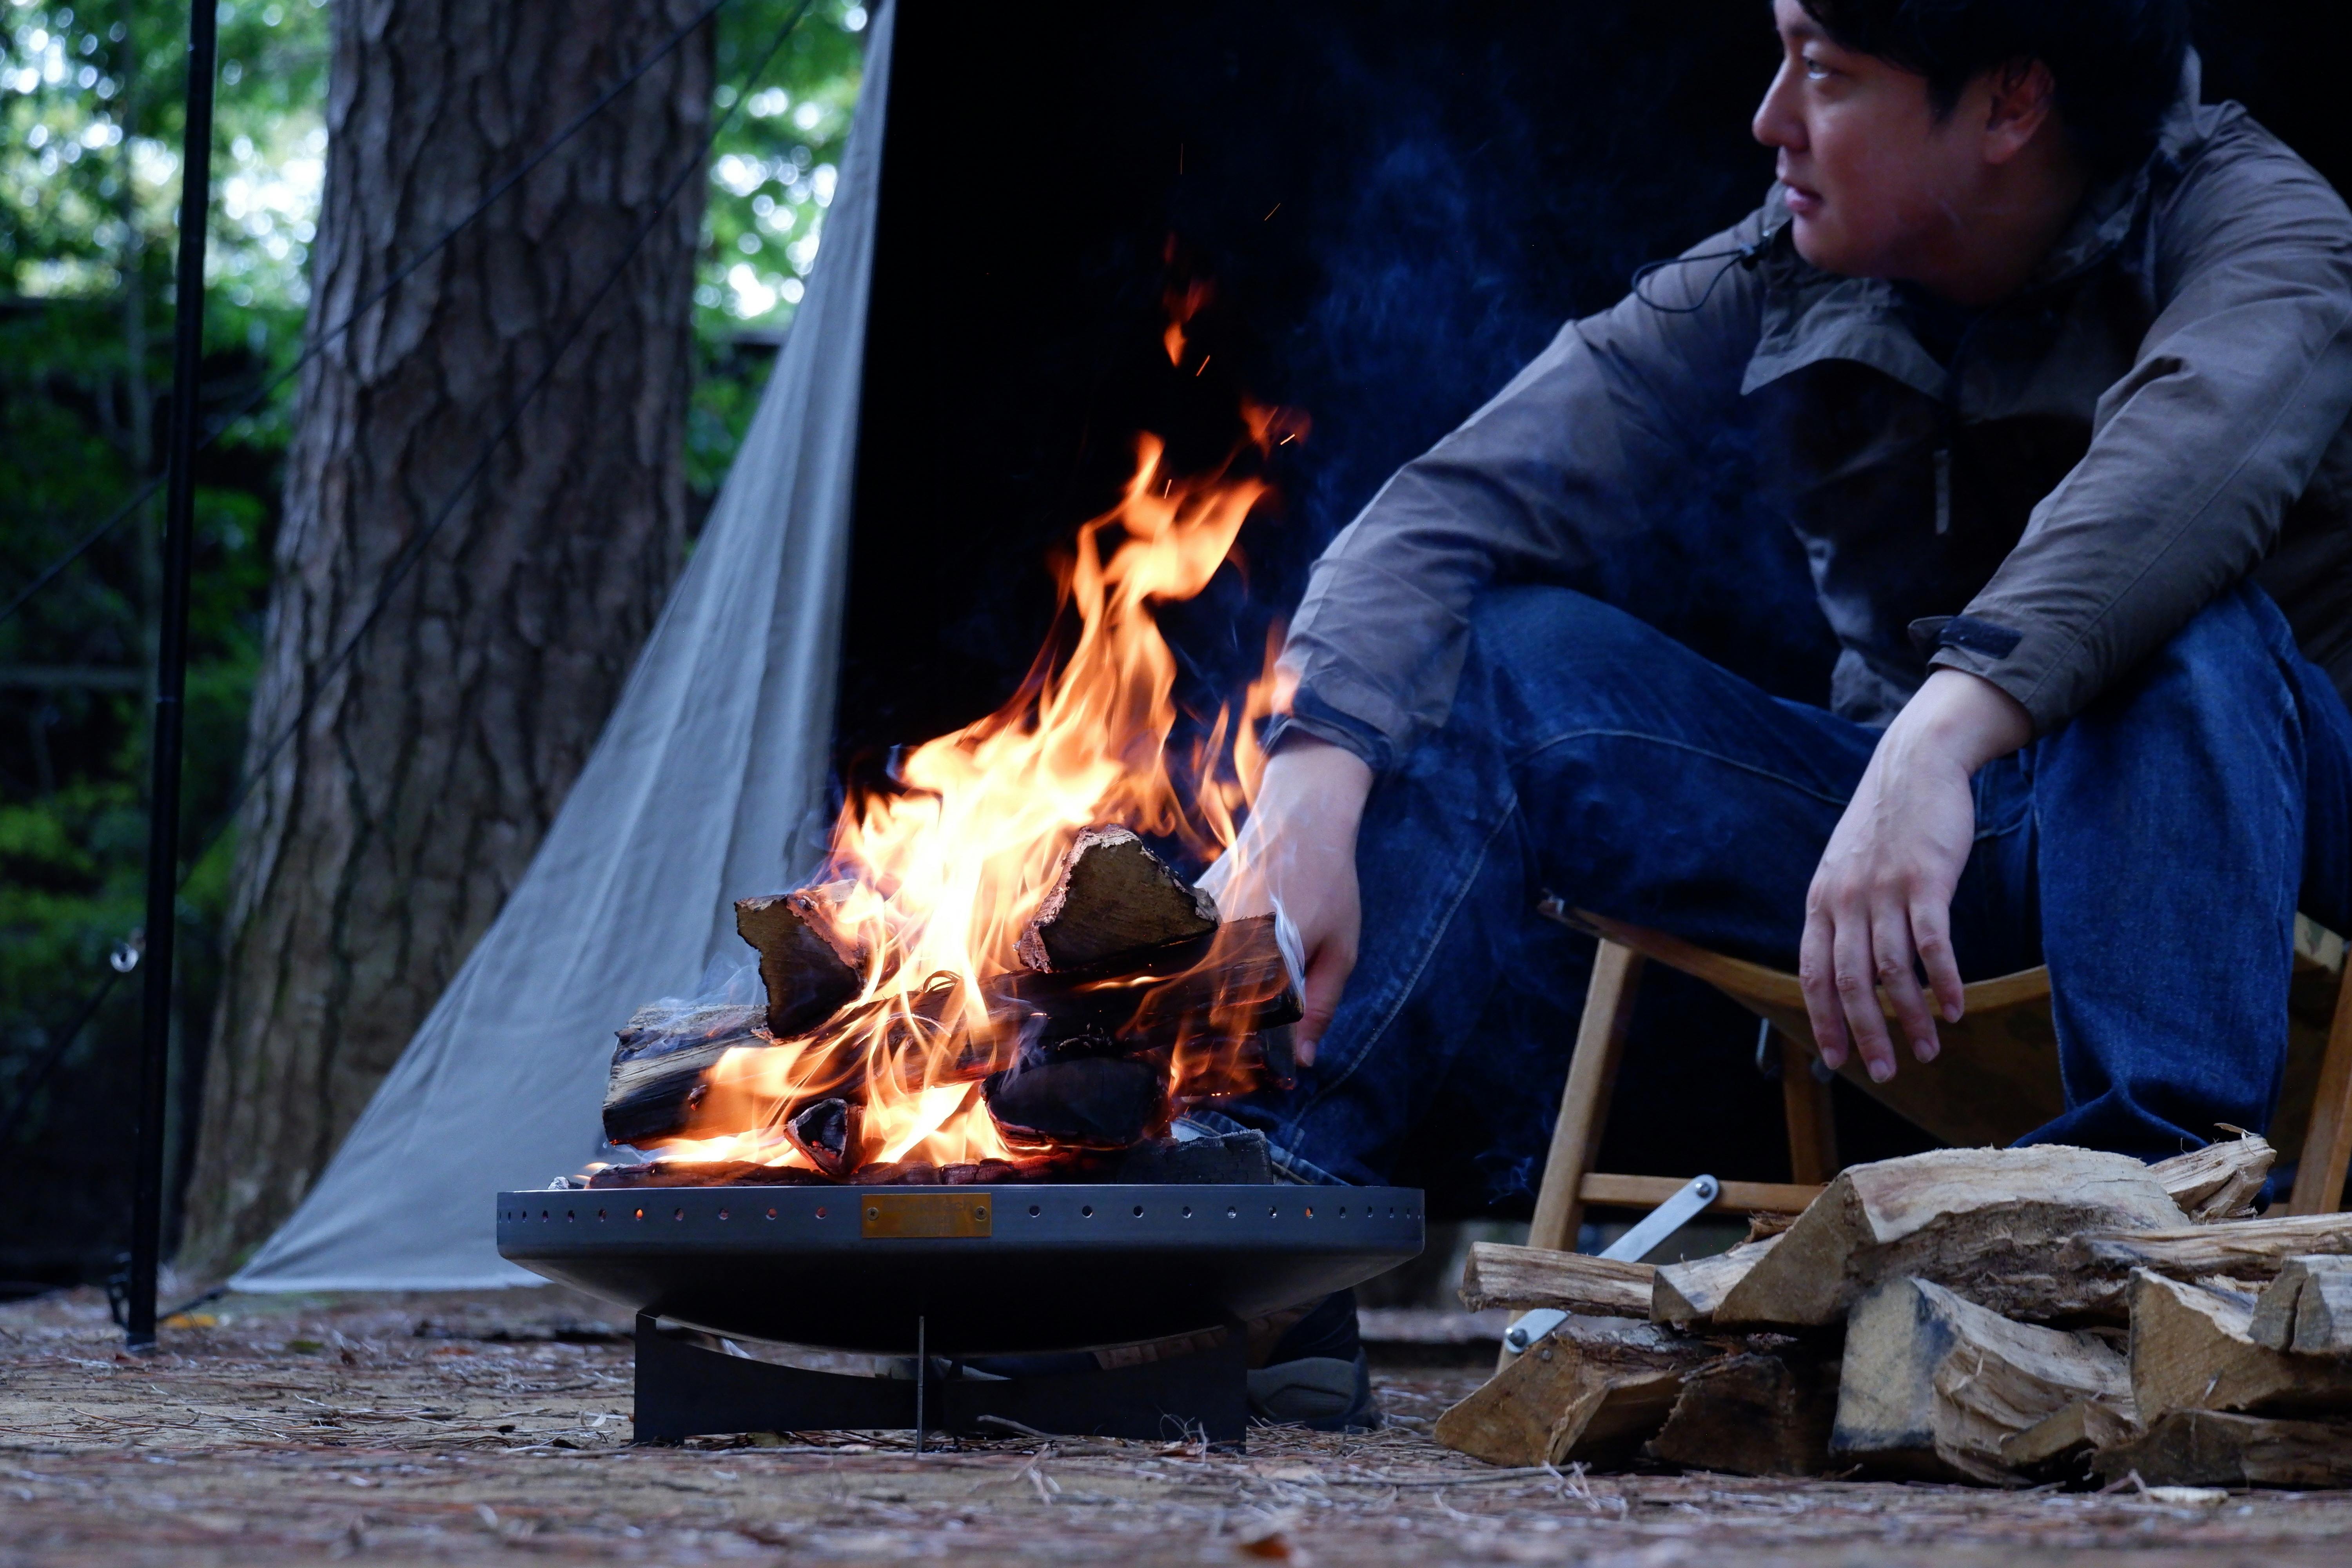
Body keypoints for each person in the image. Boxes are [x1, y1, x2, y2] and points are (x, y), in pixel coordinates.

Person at [1202, 0, 2352, 1250]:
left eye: (1827, 72)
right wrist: (1307, 787)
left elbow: (2174, 486)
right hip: (1921, 847)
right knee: (1495, 663)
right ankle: (1258, 1237)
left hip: (2244, 838)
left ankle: (2133, 1255)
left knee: (2181, 625)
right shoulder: (1788, 267)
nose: (1770, 121)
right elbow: (1447, 508)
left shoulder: (2262, 228)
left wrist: (1935, 738)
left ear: (2012, 104)